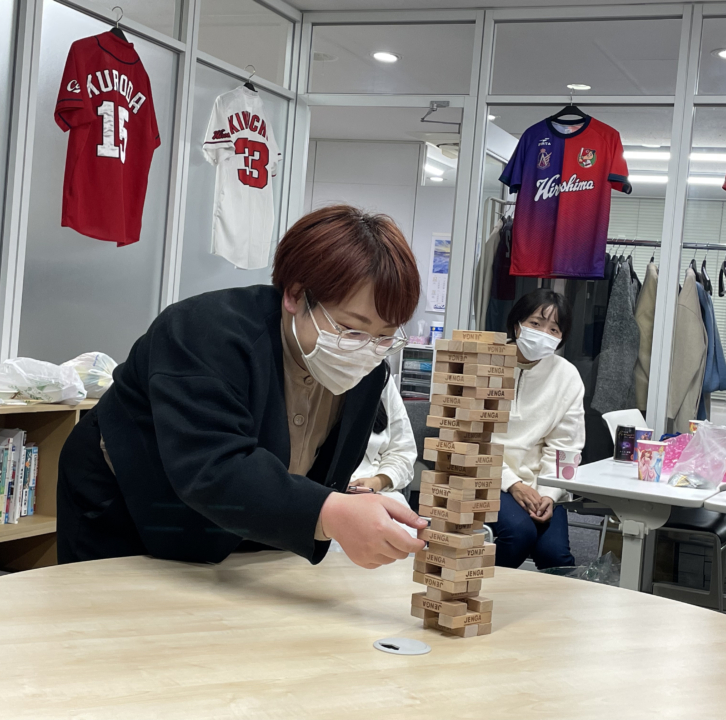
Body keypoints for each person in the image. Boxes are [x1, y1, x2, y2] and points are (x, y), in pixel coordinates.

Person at [57, 205, 428, 571]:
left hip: (240, 527)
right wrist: (329, 512)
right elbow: (213, 464)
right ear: (295, 296)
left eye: (384, 336)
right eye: (351, 329)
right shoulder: (203, 332)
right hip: (127, 501)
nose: (366, 350)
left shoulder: (368, 370)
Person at [490, 289, 586, 569]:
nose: (544, 333)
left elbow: (566, 446)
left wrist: (548, 494)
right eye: (535, 323)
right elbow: (471, 439)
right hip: (486, 475)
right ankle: (474, 590)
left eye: (553, 329)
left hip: (541, 482)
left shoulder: (567, 376)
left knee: (555, 556)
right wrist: (512, 484)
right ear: (517, 324)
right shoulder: (486, 363)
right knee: (519, 534)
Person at [347, 380, 418, 530]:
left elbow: (402, 451)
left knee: (407, 537)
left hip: (375, 493)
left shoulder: (381, 376)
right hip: (320, 499)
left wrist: (378, 481)